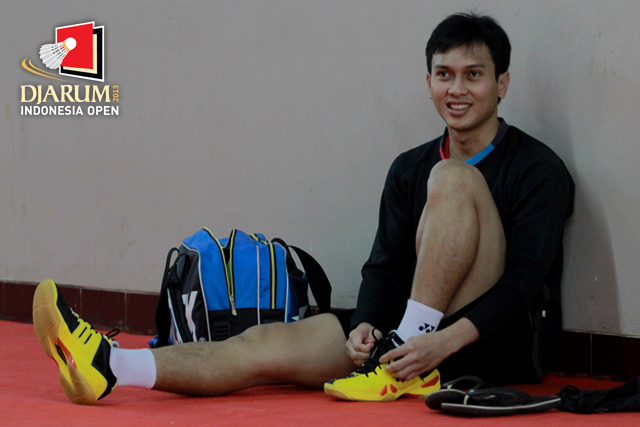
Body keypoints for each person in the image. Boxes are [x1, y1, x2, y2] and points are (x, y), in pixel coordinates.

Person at [32, 12, 574, 405]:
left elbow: (523, 283)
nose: (457, 89)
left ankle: (405, 347)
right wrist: (366, 325)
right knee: (265, 343)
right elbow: (385, 266)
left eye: (474, 75)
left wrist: (436, 343)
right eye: (444, 74)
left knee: (454, 177)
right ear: (428, 82)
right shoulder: (408, 167)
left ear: (501, 84)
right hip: (401, 343)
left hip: (487, 342)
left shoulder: (539, 170)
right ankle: (110, 366)